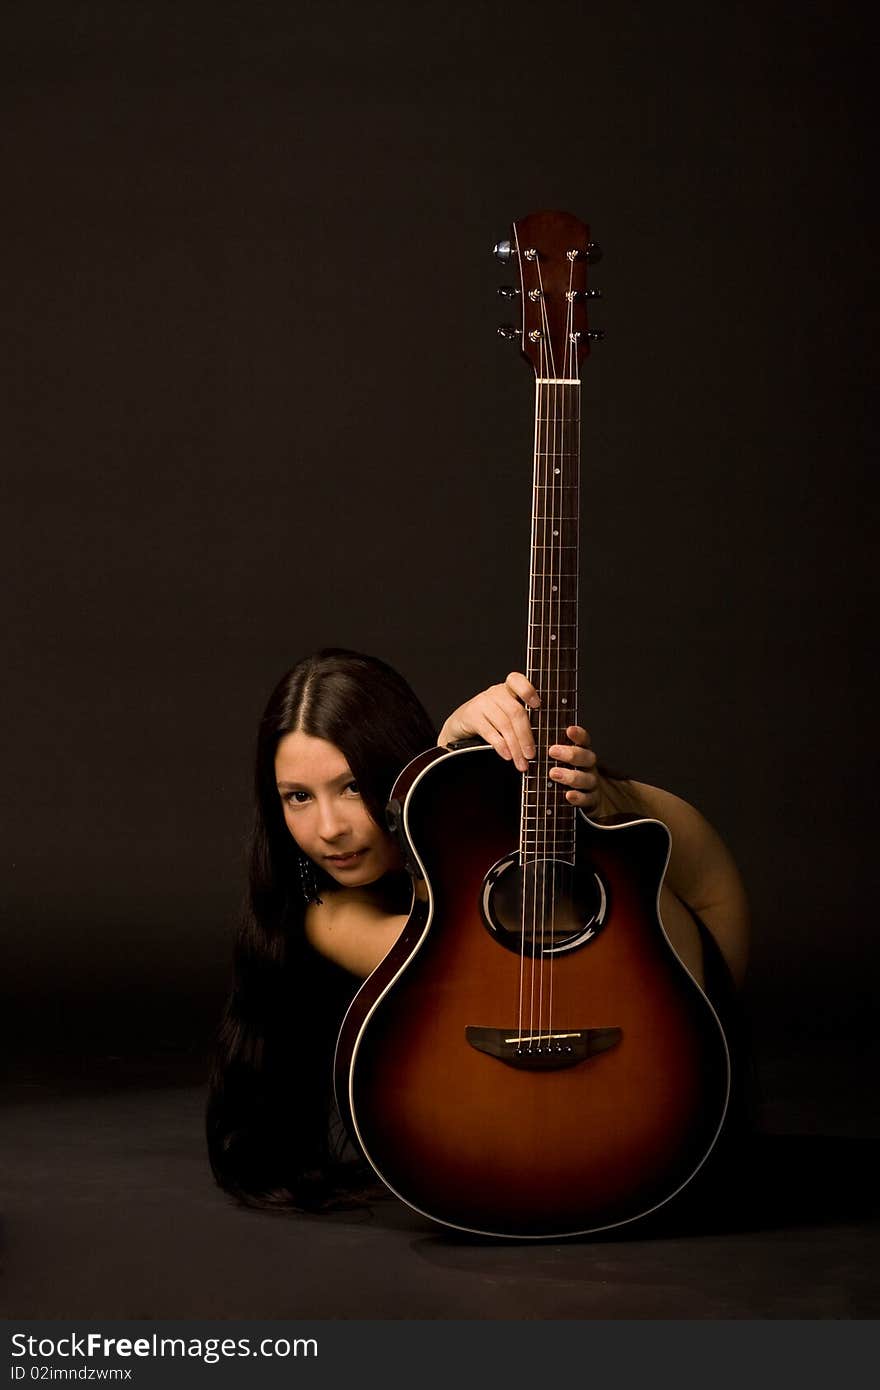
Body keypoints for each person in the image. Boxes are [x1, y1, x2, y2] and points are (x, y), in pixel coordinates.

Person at [206, 647, 750, 1211]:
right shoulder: (318, 909)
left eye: (350, 787)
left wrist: (594, 798)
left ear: (394, 768)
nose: (328, 829)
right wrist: (447, 747)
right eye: (298, 797)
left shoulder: (487, 818)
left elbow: (694, 865)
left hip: (679, 1023)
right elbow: (473, 967)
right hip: (549, 1075)